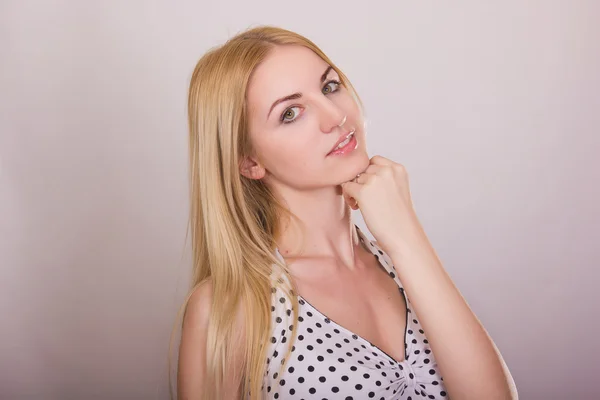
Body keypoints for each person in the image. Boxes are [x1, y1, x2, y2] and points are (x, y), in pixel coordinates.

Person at [176, 25, 517, 400]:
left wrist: (406, 237)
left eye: (329, 86)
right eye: (291, 113)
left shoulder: (400, 261)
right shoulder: (228, 308)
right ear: (249, 161)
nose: (334, 116)